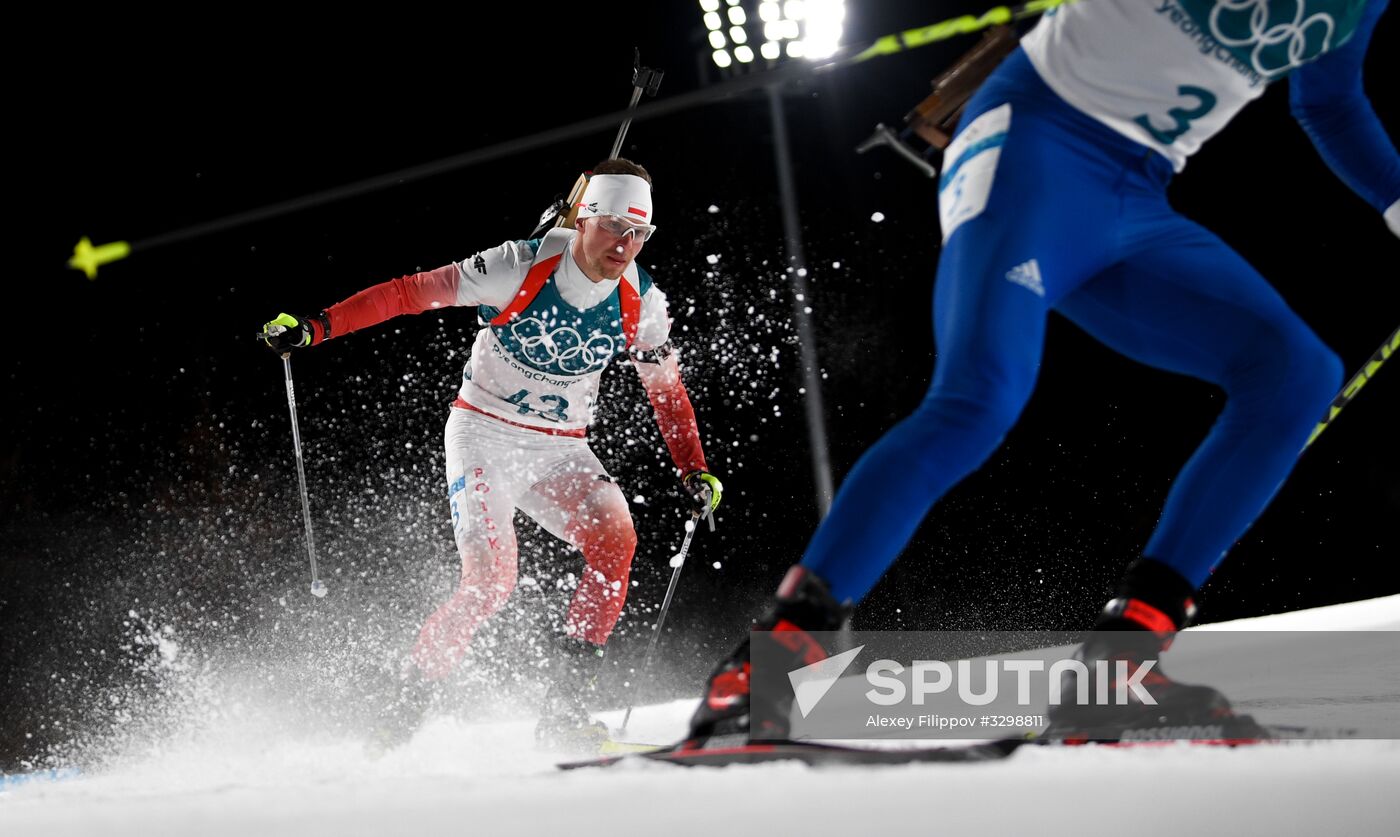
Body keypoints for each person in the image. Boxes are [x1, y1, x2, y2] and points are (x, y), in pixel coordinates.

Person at [687, 0, 1399, 743]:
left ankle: (1117, 670)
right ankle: (771, 667)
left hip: (1137, 190)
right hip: (1033, 142)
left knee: (1295, 373)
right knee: (978, 398)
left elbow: (1329, 102)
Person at [259, 158, 724, 749]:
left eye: (639, 233)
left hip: (561, 449)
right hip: (484, 435)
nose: (624, 245)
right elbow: (409, 293)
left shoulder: (643, 300)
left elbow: (667, 390)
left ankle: (563, 715)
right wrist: (315, 328)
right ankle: (399, 709)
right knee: (491, 582)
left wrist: (694, 468)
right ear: (583, 217)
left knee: (617, 542)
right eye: (612, 227)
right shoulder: (517, 264)